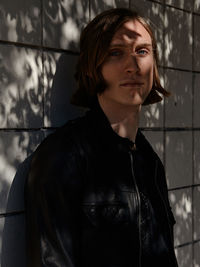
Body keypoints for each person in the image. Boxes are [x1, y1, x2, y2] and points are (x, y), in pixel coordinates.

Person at [25, 7, 178, 267]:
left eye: (142, 51)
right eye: (116, 52)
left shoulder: (149, 159)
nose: (133, 66)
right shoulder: (64, 155)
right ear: (93, 65)